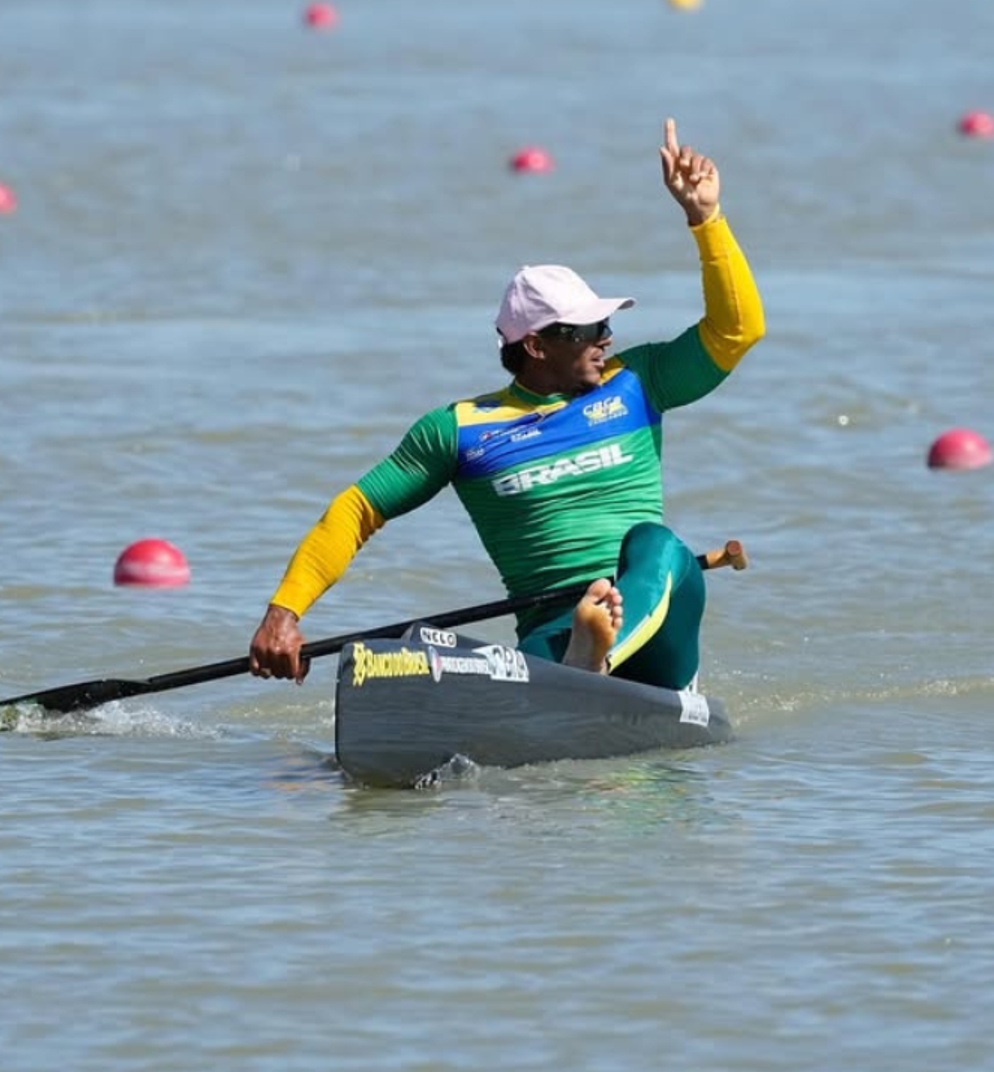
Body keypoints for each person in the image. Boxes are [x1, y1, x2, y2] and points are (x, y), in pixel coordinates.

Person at [247, 117, 764, 689]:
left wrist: (705, 218)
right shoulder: (459, 430)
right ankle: (576, 662)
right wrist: (283, 614)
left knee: (657, 545)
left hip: (656, 628)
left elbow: (736, 331)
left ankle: (596, 658)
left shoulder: (639, 382)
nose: (606, 338)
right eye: (588, 329)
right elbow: (357, 510)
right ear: (536, 346)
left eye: (605, 324)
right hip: (554, 631)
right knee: (486, 649)